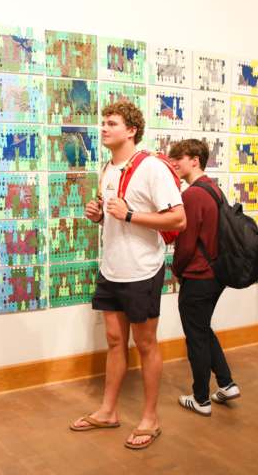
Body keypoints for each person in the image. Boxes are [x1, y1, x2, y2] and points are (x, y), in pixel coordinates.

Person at [70, 101, 186, 450]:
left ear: (131, 130)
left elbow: (177, 219)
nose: (103, 128)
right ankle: (108, 411)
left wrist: (131, 215)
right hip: (112, 268)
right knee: (115, 342)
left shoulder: (152, 168)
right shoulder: (107, 168)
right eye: (103, 122)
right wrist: (98, 215)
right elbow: (113, 215)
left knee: (146, 344)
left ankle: (151, 418)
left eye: (112, 123)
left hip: (142, 269)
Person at [168, 139, 240, 417]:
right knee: (202, 328)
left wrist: (177, 269)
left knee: (195, 336)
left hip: (198, 274)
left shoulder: (192, 195)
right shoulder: (213, 188)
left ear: (195, 159)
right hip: (215, 273)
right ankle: (226, 383)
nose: (175, 163)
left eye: (180, 158)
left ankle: (201, 398)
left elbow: (186, 244)